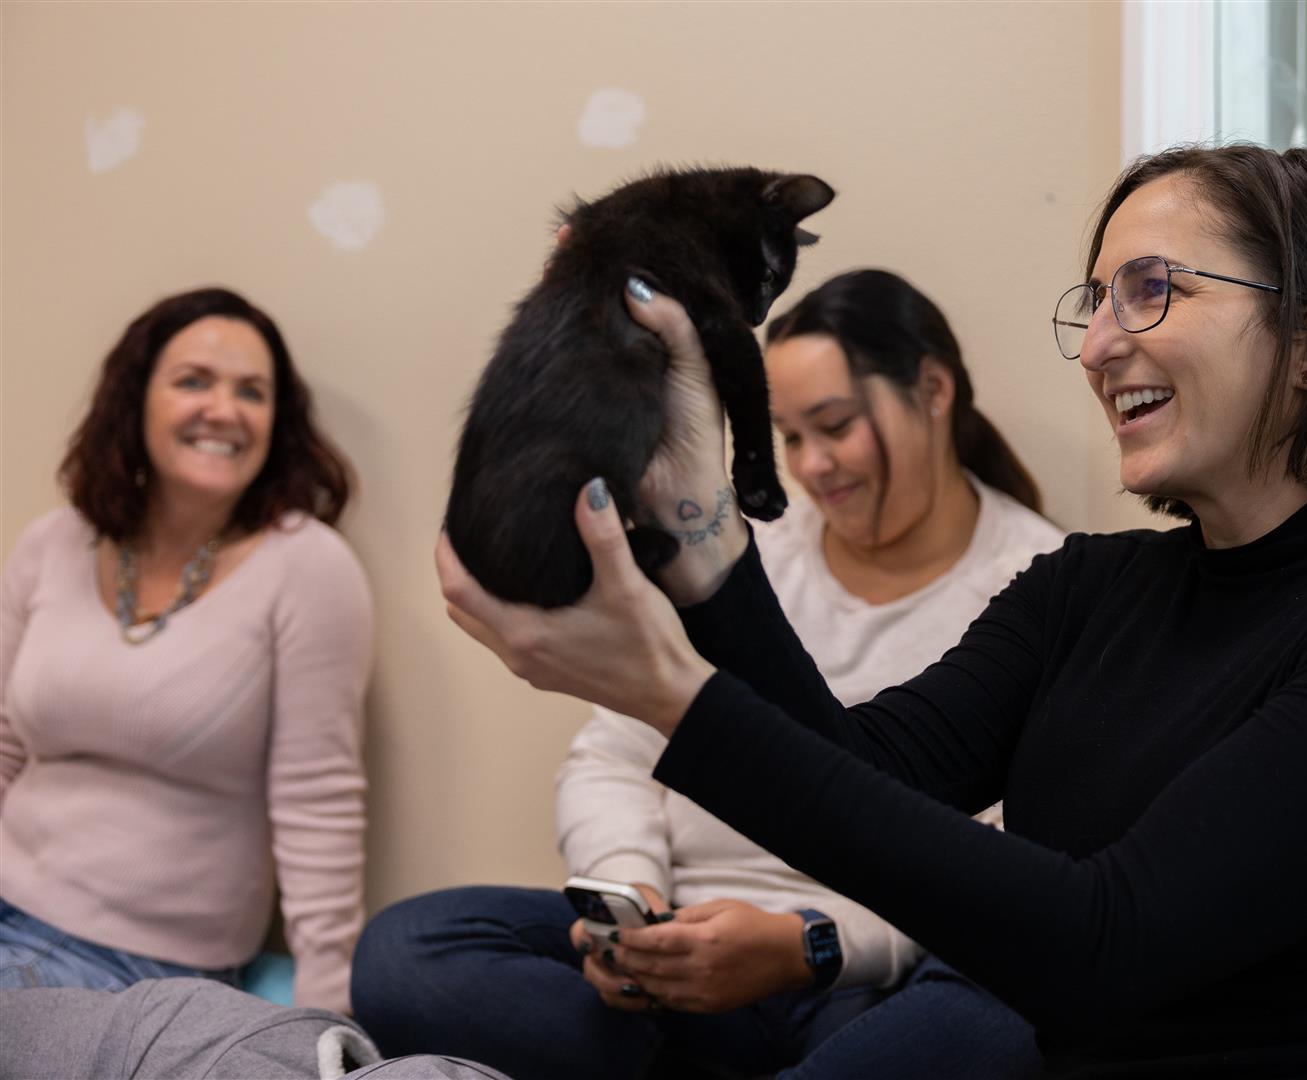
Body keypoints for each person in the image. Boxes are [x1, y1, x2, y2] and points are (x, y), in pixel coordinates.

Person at [434, 144, 1307, 1077]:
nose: (1101, 345)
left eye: (1152, 289)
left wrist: (670, 691)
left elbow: (1105, 944)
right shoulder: (1087, 588)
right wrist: (699, 532)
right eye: (1096, 302)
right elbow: (854, 775)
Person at [353, 270, 1064, 1079]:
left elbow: (1002, 884)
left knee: (999, 1011)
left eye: (833, 426)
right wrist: (627, 901)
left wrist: (809, 944)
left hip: (854, 983)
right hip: (676, 956)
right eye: (789, 437)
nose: (812, 467)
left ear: (933, 390)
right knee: (406, 951)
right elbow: (614, 750)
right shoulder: (737, 550)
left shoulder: (1034, 587)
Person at [0, 287, 373, 1015]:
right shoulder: (54, 541)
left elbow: (317, 802)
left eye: (252, 392)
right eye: (194, 381)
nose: (223, 410)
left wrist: (326, 1013)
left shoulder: (308, 568)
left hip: (138, 964)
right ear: (134, 400)